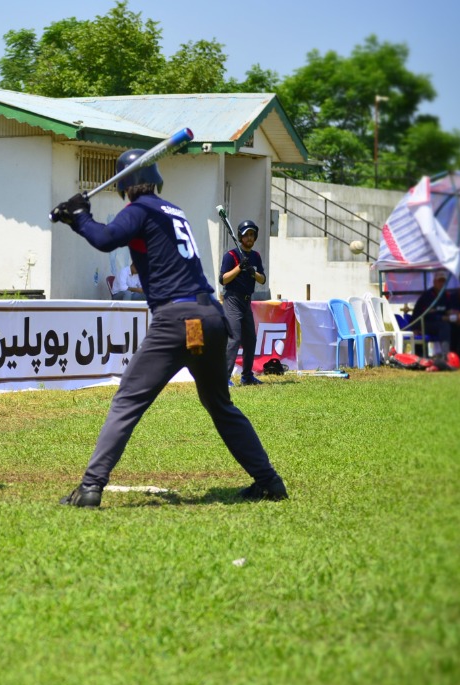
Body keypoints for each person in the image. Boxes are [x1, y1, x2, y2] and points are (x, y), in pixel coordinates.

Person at [49, 148, 287, 506]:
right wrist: (77, 218)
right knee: (220, 404)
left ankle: (90, 487)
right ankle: (269, 481)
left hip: (176, 319)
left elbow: (104, 239)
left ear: (125, 185)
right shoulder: (173, 210)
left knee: (127, 399)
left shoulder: (139, 210)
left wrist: (80, 217)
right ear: (155, 178)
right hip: (210, 315)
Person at [220, 219, 267, 385]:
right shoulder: (231, 256)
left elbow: (262, 279)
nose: (249, 238)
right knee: (234, 338)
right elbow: (223, 280)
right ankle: (224, 378)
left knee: (250, 340)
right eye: (246, 235)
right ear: (240, 237)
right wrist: (239, 267)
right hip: (232, 300)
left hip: (247, 302)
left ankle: (247, 376)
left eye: (252, 235)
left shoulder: (255, 256)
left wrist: (252, 272)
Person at [411, 272, 452, 355]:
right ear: (434, 282)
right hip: (422, 323)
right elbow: (427, 315)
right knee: (444, 326)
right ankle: (446, 355)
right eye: (439, 281)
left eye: (443, 281)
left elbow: (448, 310)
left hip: (435, 324)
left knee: (455, 326)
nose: (441, 283)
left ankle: (458, 355)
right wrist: (442, 317)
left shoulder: (446, 295)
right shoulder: (427, 295)